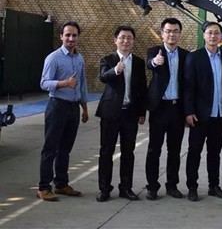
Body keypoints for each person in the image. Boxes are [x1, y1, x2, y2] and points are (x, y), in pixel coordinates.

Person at [183, 22, 222, 202]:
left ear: (221, 36)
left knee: (215, 153)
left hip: (219, 114)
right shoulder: (194, 57)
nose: (213, 36)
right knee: (194, 151)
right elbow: (188, 86)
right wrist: (189, 111)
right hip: (199, 115)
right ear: (204, 35)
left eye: (217, 33)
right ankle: (192, 187)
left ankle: (214, 186)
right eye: (210, 33)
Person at [38, 21, 89, 201]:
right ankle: (44, 187)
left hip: (73, 108)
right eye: (67, 35)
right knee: (50, 148)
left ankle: (61, 184)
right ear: (61, 37)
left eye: (74, 35)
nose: (71, 38)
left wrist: (84, 108)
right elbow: (44, 83)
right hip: (57, 106)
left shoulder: (79, 59)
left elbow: (82, 84)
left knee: (65, 149)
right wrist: (64, 83)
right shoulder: (53, 58)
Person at [96, 25, 147, 202]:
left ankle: (126, 188)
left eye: (129, 38)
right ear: (115, 40)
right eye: (122, 37)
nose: (126, 41)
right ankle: (104, 189)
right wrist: (116, 70)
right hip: (110, 113)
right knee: (106, 152)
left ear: (133, 41)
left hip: (130, 114)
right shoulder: (107, 60)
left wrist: (142, 112)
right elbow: (103, 77)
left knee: (128, 152)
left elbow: (142, 88)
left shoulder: (139, 62)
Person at [144, 18, 189, 200]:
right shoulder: (154, 51)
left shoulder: (186, 55)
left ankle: (172, 185)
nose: (171, 34)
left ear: (179, 33)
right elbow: (149, 64)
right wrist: (155, 62)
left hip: (177, 109)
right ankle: (152, 187)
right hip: (159, 108)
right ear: (162, 33)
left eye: (175, 31)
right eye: (168, 31)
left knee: (174, 150)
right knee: (154, 149)